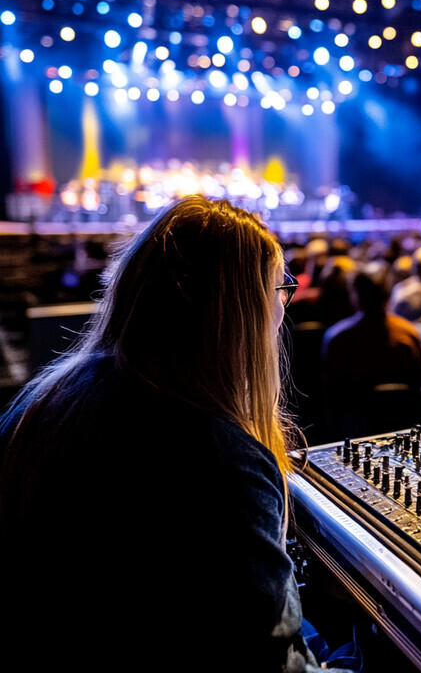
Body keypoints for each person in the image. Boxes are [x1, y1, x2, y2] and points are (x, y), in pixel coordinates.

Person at [0, 196, 350, 671]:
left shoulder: (37, 403)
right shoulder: (224, 460)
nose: (282, 306)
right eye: (279, 289)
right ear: (242, 309)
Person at [321, 261, 421, 440]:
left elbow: (332, 395)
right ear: (387, 295)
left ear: (355, 296)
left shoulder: (338, 338)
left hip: (354, 432)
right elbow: (419, 385)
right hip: (402, 426)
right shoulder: (408, 334)